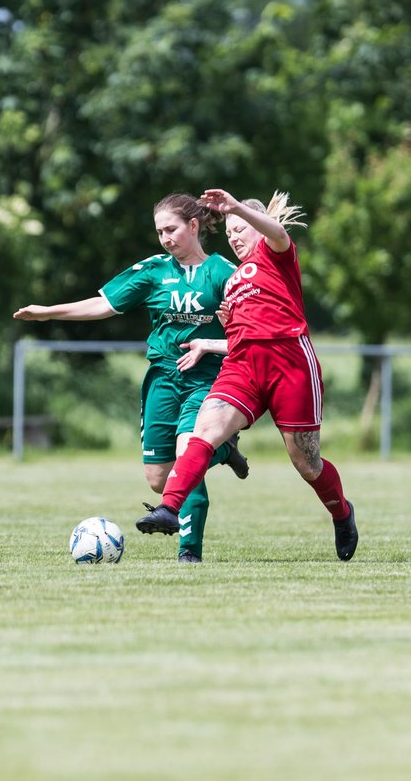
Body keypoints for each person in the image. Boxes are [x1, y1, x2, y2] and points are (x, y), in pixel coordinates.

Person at [13, 193, 249, 563]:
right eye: (159, 232)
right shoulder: (154, 271)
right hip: (162, 379)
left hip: (205, 379)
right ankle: (223, 449)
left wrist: (212, 341)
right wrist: (48, 313)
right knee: (158, 478)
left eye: (171, 229)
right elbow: (103, 304)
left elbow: (249, 333)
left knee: (189, 452)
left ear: (193, 226)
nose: (165, 238)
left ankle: (190, 552)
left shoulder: (223, 273)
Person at [136, 189, 359, 561]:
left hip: (290, 365)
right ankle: (169, 509)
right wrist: (211, 342)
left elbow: (276, 232)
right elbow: (242, 338)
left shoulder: (276, 255)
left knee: (306, 463)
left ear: (258, 227)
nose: (235, 236)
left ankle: (342, 513)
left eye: (241, 229)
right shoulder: (235, 281)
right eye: (229, 233)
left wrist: (236, 207)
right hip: (243, 367)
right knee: (204, 431)